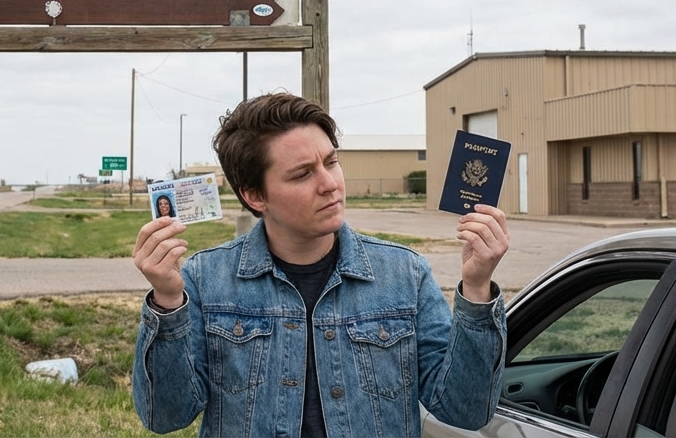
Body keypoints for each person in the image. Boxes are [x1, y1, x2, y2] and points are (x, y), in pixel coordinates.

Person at [132, 93, 510, 437]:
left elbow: (465, 411)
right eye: (302, 174)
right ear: (255, 195)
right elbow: (166, 417)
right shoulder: (203, 280)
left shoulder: (405, 275)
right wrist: (166, 302)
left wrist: (477, 289)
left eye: (331, 162)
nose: (329, 184)